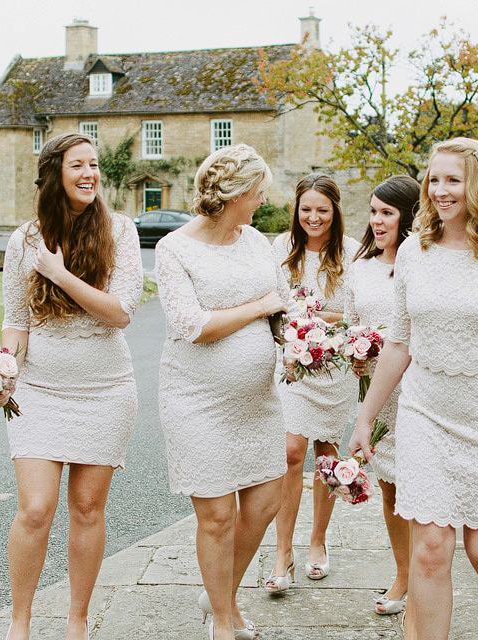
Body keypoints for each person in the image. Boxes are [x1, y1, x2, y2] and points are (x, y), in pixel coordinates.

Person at [348, 138, 478, 640]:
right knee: (432, 550)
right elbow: (399, 345)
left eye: (452, 180)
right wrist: (364, 419)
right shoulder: (414, 254)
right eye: (434, 180)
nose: (440, 191)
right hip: (425, 415)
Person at [0, 132, 143, 640]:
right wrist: (1, 369)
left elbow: (121, 312)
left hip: (105, 391)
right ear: (55, 173)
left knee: (86, 508)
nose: (89, 174)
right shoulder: (24, 240)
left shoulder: (121, 231)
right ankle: (20, 621)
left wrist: (59, 274)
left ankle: (77, 622)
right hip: (39, 391)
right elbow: (16, 320)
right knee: (36, 509)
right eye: (78, 165)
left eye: (94, 165)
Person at [154, 144, 288, 640]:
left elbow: (283, 305)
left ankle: (221, 596)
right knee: (216, 517)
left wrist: (309, 342)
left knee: (263, 505)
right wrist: (258, 307)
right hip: (197, 401)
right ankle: (225, 620)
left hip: (258, 403)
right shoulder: (175, 249)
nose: (261, 202)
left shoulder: (257, 242)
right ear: (237, 194)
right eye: (258, 194)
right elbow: (194, 325)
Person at [265, 174, 361, 592]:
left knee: (327, 453)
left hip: (335, 365)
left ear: (335, 211)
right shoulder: (282, 250)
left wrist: (318, 319)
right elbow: (272, 304)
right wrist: (293, 325)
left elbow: (356, 313)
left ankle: (318, 540)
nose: (313, 217)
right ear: (296, 210)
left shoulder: (353, 253)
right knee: (290, 451)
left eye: (322, 210)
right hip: (293, 363)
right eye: (306, 209)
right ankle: (281, 549)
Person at [343, 174, 420, 616]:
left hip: (418, 390)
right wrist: (355, 354)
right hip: (377, 394)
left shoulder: (421, 264)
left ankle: (428, 573)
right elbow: (354, 324)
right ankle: (403, 574)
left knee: (420, 488)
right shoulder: (360, 268)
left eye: (387, 213)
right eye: (372, 212)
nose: (376, 221)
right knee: (390, 489)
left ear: (406, 216)